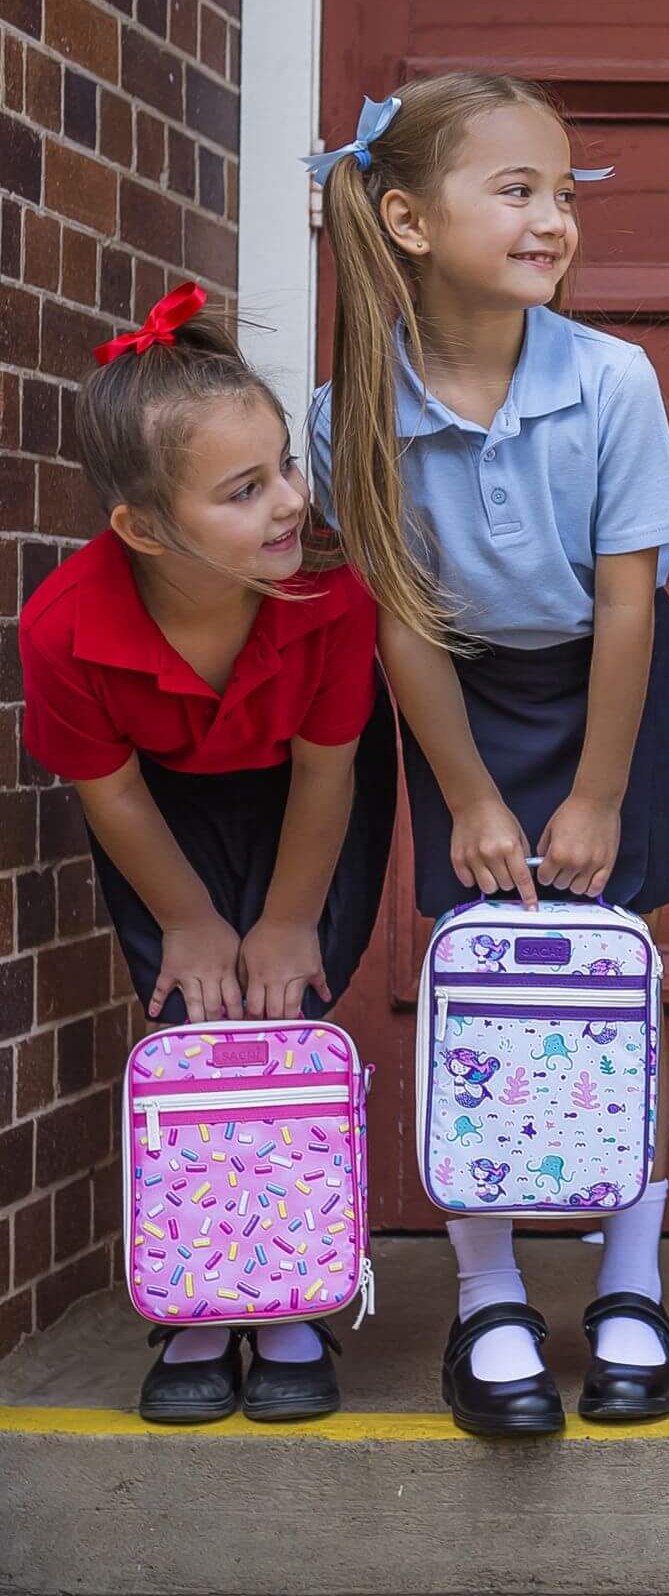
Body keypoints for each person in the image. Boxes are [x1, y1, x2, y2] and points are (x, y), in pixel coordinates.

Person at [309, 74, 669, 1435]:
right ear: (409, 220)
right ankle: (489, 1299)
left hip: (612, 692)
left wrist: (595, 791)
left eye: (562, 192)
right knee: (481, 982)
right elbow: (399, 619)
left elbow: (633, 599)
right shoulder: (350, 408)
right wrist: (468, 794)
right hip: (457, 700)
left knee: (608, 974)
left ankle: (631, 1284)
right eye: (516, 190)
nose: (552, 219)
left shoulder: (613, 381)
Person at [20, 285, 395, 1423]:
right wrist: (189, 919)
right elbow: (112, 790)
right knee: (197, 1016)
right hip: (161, 812)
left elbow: (330, 769)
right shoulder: (65, 625)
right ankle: (194, 1293)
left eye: (283, 465)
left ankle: (288, 1295)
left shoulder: (327, 585)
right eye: (245, 490)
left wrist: (286, 920)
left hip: (308, 794)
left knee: (286, 1011)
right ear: (144, 526)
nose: (290, 500)